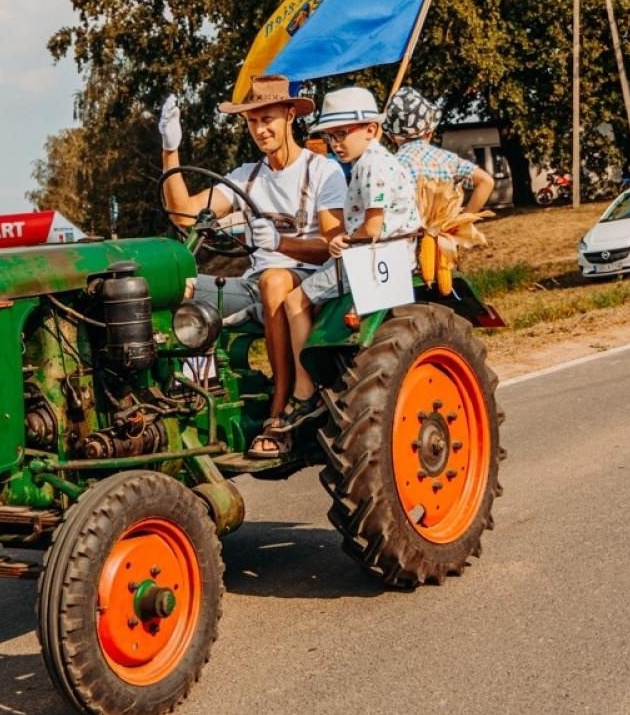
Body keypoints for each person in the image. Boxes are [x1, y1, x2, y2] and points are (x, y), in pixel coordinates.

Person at [157, 75, 345, 431]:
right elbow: (184, 215)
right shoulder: (248, 177)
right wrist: (170, 151)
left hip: (309, 284)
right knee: (179, 288)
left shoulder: (323, 171)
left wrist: (280, 244)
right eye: (253, 121)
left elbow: (333, 247)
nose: (260, 130)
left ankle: (283, 408)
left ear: (290, 115)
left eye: (267, 118)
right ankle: (195, 397)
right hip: (255, 284)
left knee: (274, 280)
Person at [263, 87, 423, 456]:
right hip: (372, 255)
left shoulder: (370, 167)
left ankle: (305, 390)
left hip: (371, 259)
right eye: (330, 136)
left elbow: (374, 227)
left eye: (343, 133)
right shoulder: (373, 161)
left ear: (371, 129)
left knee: (294, 299)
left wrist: (341, 242)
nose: (336, 143)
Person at [382, 86, 496, 213]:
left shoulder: (391, 166)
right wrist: (464, 219)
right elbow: (486, 182)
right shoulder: (448, 160)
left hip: (409, 232)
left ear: (392, 137)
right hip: (446, 231)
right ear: (430, 132)